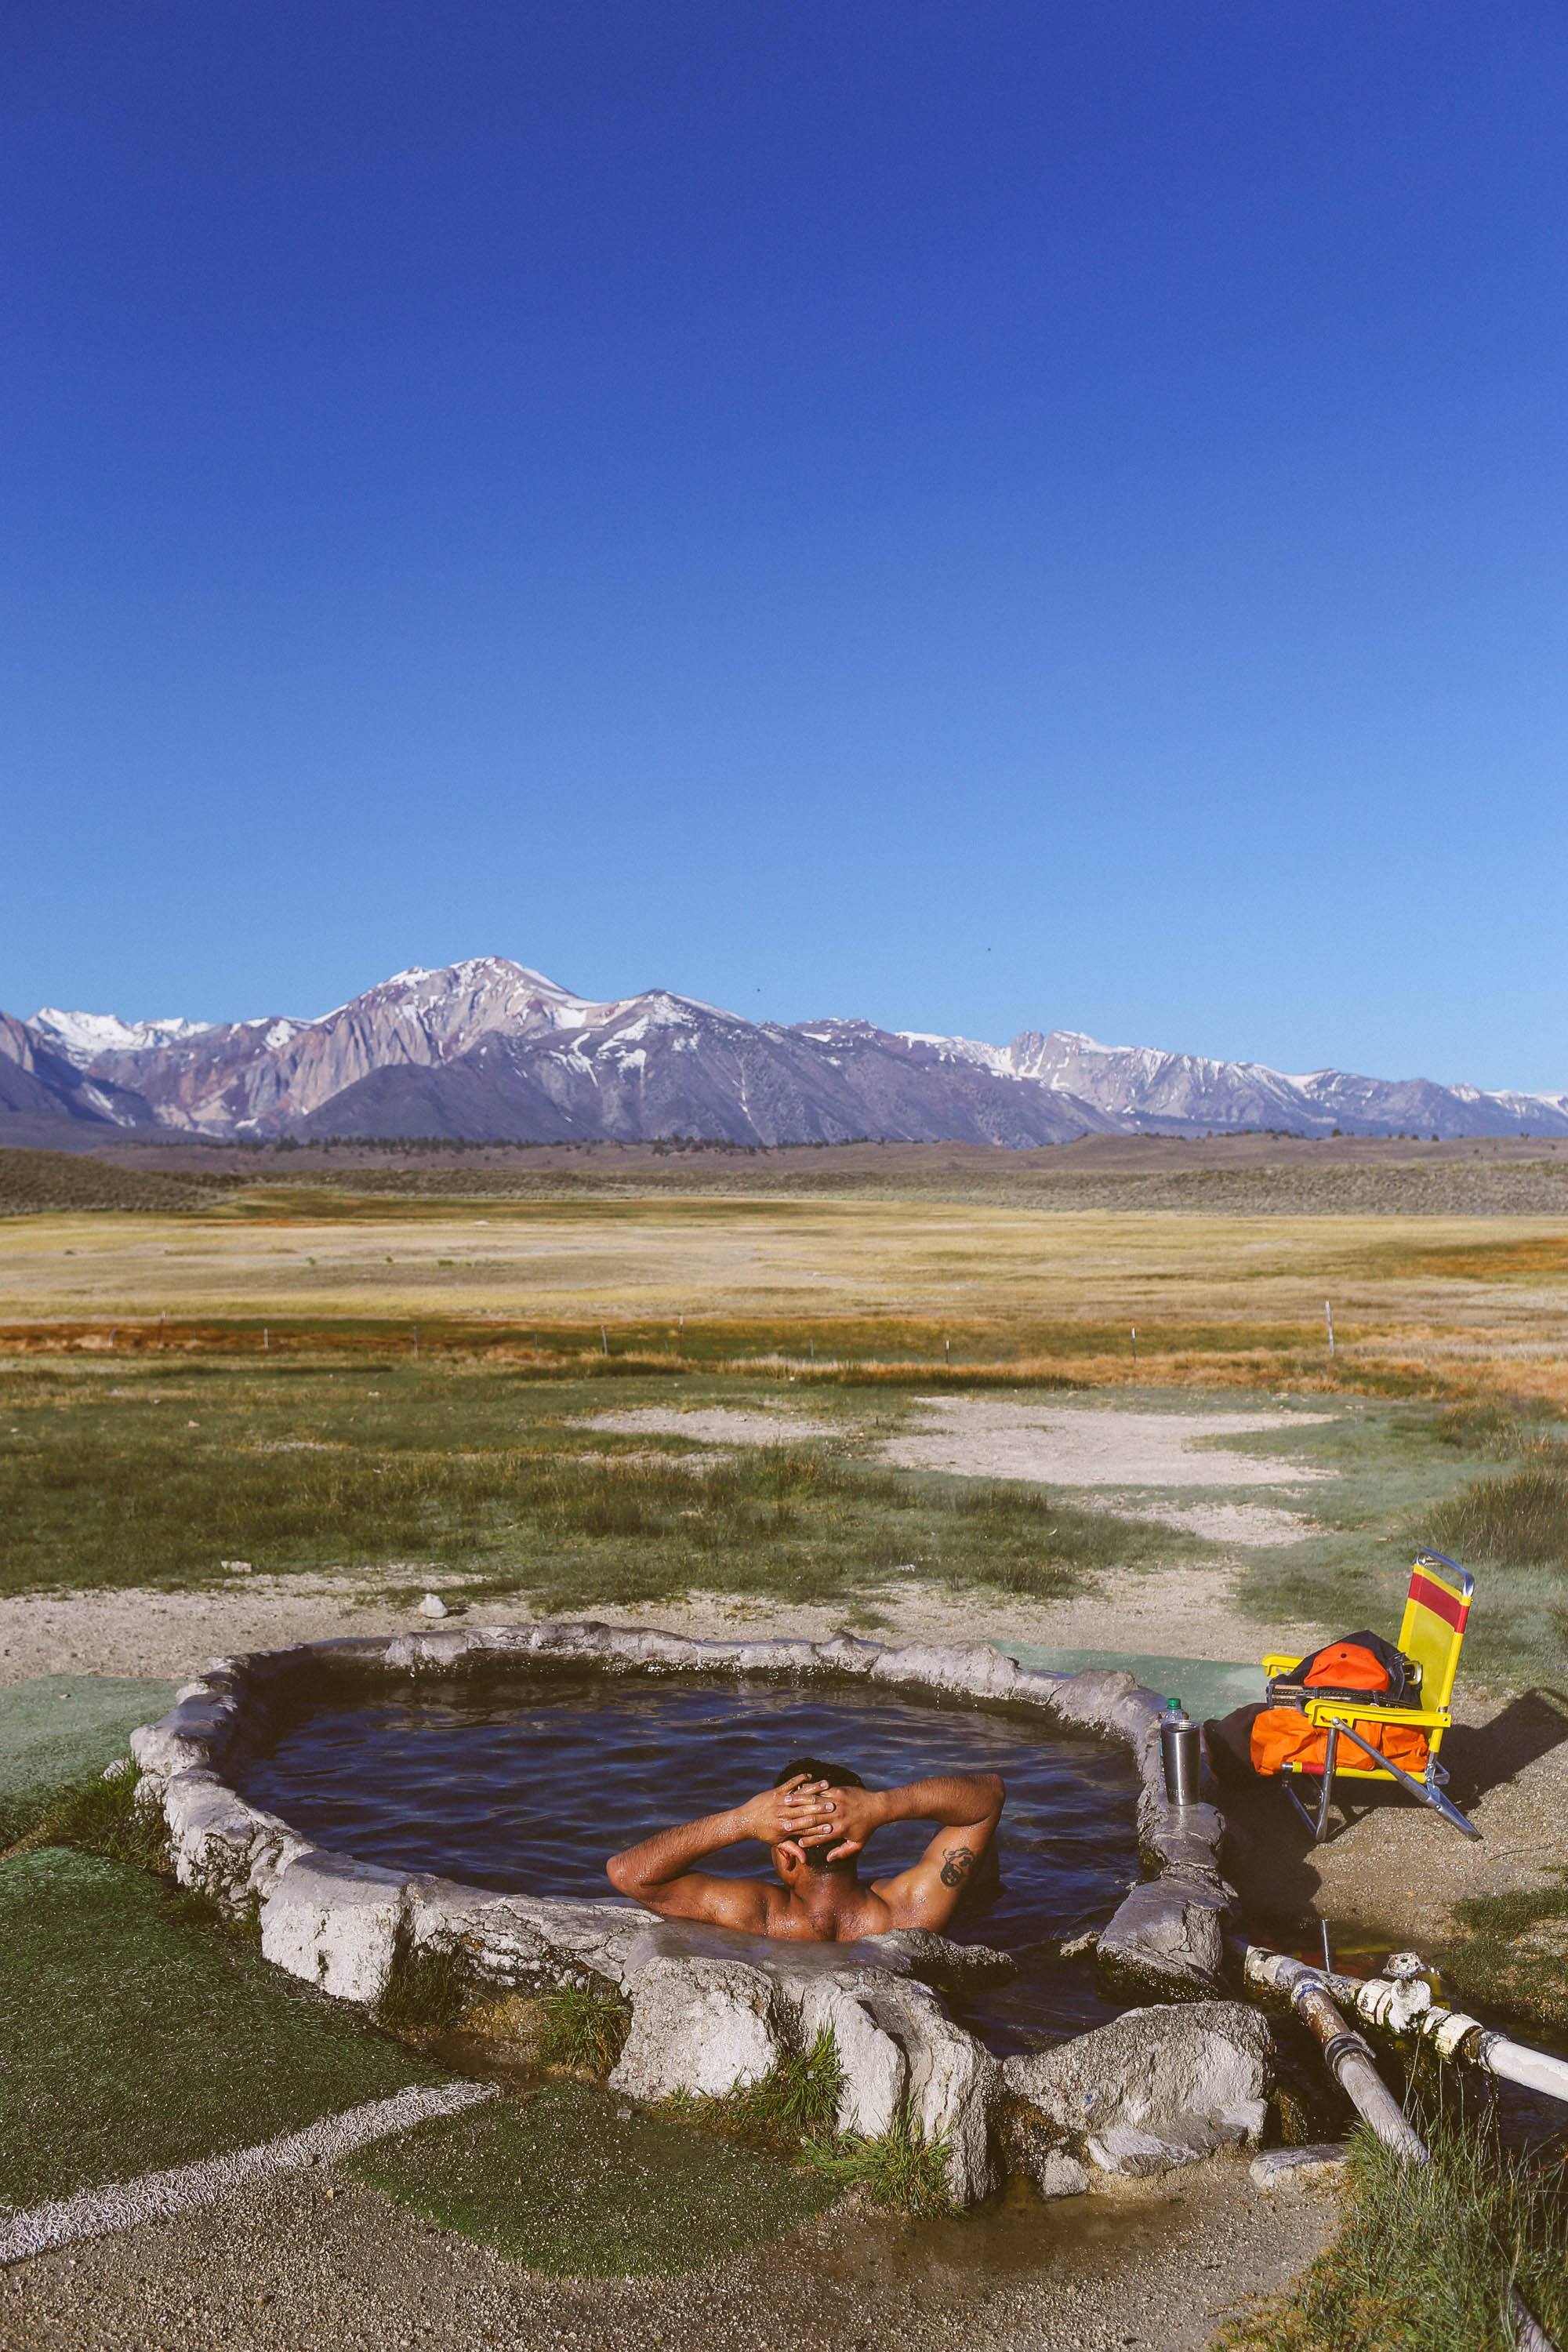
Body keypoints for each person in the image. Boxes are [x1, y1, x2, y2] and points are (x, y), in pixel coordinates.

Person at [605, 1754, 1005, 1942]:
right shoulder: (910, 1913)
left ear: (786, 1855)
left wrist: (742, 1821)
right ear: (857, 1843)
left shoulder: (757, 1919)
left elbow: (628, 1874)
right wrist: (883, 1806)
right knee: (983, 1875)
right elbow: (988, 1799)